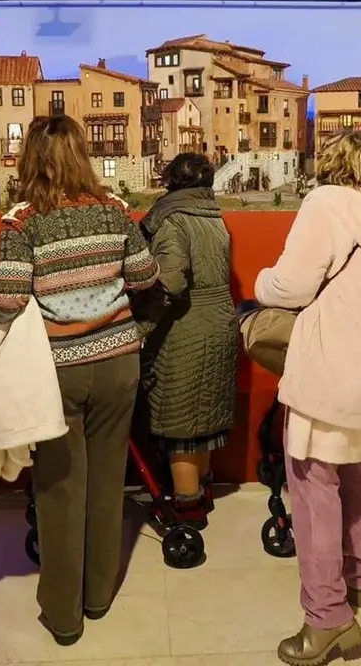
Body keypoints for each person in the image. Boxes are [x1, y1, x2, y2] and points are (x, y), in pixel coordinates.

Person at [0, 115, 159, 645]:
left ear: (30, 160)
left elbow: (8, 300)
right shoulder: (114, 212)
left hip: (56, 371)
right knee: (108, 485)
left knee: (60, 490)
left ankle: (64, 616)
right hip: (117, 365)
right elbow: (146, 276)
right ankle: (99, 596)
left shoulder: (22, 223)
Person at [254, 132, 361, 666]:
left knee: (311, 484)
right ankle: (359, 580)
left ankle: (327, 619)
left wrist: (260, 282)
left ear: (331, 164)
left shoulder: (324, 203)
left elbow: (293, 286)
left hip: (330, 367)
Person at [134, 153, 238, 530]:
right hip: (220, 321)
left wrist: (140, 322)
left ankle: (186, 511)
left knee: (179, 425)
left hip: (185, 329)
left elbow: (172, 281)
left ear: (171, 182)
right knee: (203, 419)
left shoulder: (173, 219)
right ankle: (203, 494)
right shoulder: (214, 217)